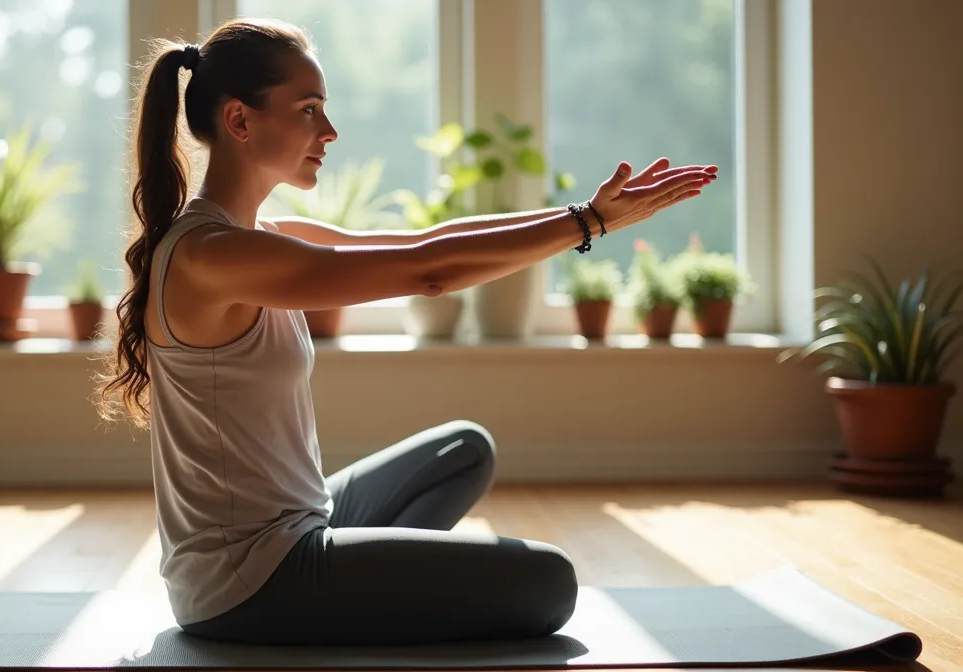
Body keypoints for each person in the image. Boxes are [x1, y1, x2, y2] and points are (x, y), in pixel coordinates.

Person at [95, 18, 718, 646]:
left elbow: (425, 245)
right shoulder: (212, 255)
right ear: (240, 120)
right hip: (248, 581)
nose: (329, 131)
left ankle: (375, 603)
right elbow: (430, 273)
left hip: (301, 526)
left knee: (464, 450)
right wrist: (587, 224)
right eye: (309, 109)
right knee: (551, 581)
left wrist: (585, 215)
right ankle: (373, 605)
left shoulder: (265, 238)